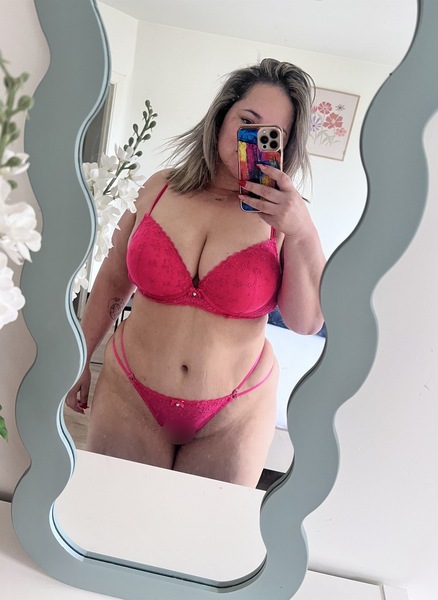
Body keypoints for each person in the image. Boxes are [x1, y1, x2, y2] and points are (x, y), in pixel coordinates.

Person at [66, 58, 326, 488]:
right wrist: (79, 355)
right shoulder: (159, 188)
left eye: (271, 134)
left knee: (202, 530)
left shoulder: (286, 220)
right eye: (247, 121)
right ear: (221, 116)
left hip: (235, 413)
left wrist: (301, 230)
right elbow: (113, 277)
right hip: (130, 393)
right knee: (111, 513)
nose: (251, 139)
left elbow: (306, 322)